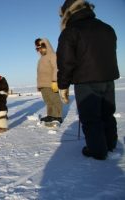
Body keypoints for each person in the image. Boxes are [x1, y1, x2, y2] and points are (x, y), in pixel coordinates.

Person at [57, 0, 120, 160]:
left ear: (67, 13)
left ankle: (98, 151)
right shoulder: (107, 28)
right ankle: (110, 144)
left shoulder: (71, 31)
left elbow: (66, 61)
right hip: (108, 79)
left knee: (91, 118)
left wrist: (63, 85)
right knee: (107, 114)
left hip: (86, 81)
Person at [35, 38, 63, 124]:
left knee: (55, 99)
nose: (38, 50)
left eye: (40, 47)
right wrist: (39, 85)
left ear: (45, 46)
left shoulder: (52, 55)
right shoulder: (41, 59)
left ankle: (57, 116)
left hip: (51, 83)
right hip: (43, 84)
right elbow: (39, 73)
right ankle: (50, 115)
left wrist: (55, 81)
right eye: (37, 48)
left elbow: (56, 68)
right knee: (48, 101)